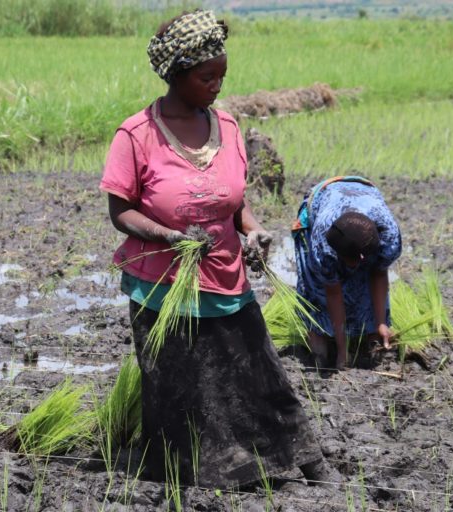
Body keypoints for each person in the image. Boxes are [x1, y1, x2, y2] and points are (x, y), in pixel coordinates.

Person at [100, 9, 337, 489]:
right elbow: (120, 211)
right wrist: (168, 236)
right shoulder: (137, 134)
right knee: (181, 390)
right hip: (163, 288)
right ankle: (203, 475)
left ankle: (298, 460)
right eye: (207, 77)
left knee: (260, 376)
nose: (217, 85)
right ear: (177, 73)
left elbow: (233, 202)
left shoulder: (227, 127)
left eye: (222, 76)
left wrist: (254, 230)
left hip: (227, 279)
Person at [292, 176, 402, 370]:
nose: (351, 267)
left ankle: (369, 337)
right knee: (316, 289)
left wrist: (381, 323)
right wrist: (342, 351)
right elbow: (333, 292)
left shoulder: (389, 237)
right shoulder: (322, 244)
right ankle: (319, 341)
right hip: (322, 199)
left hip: (363, 194)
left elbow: (378, 273)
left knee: (361, 286)